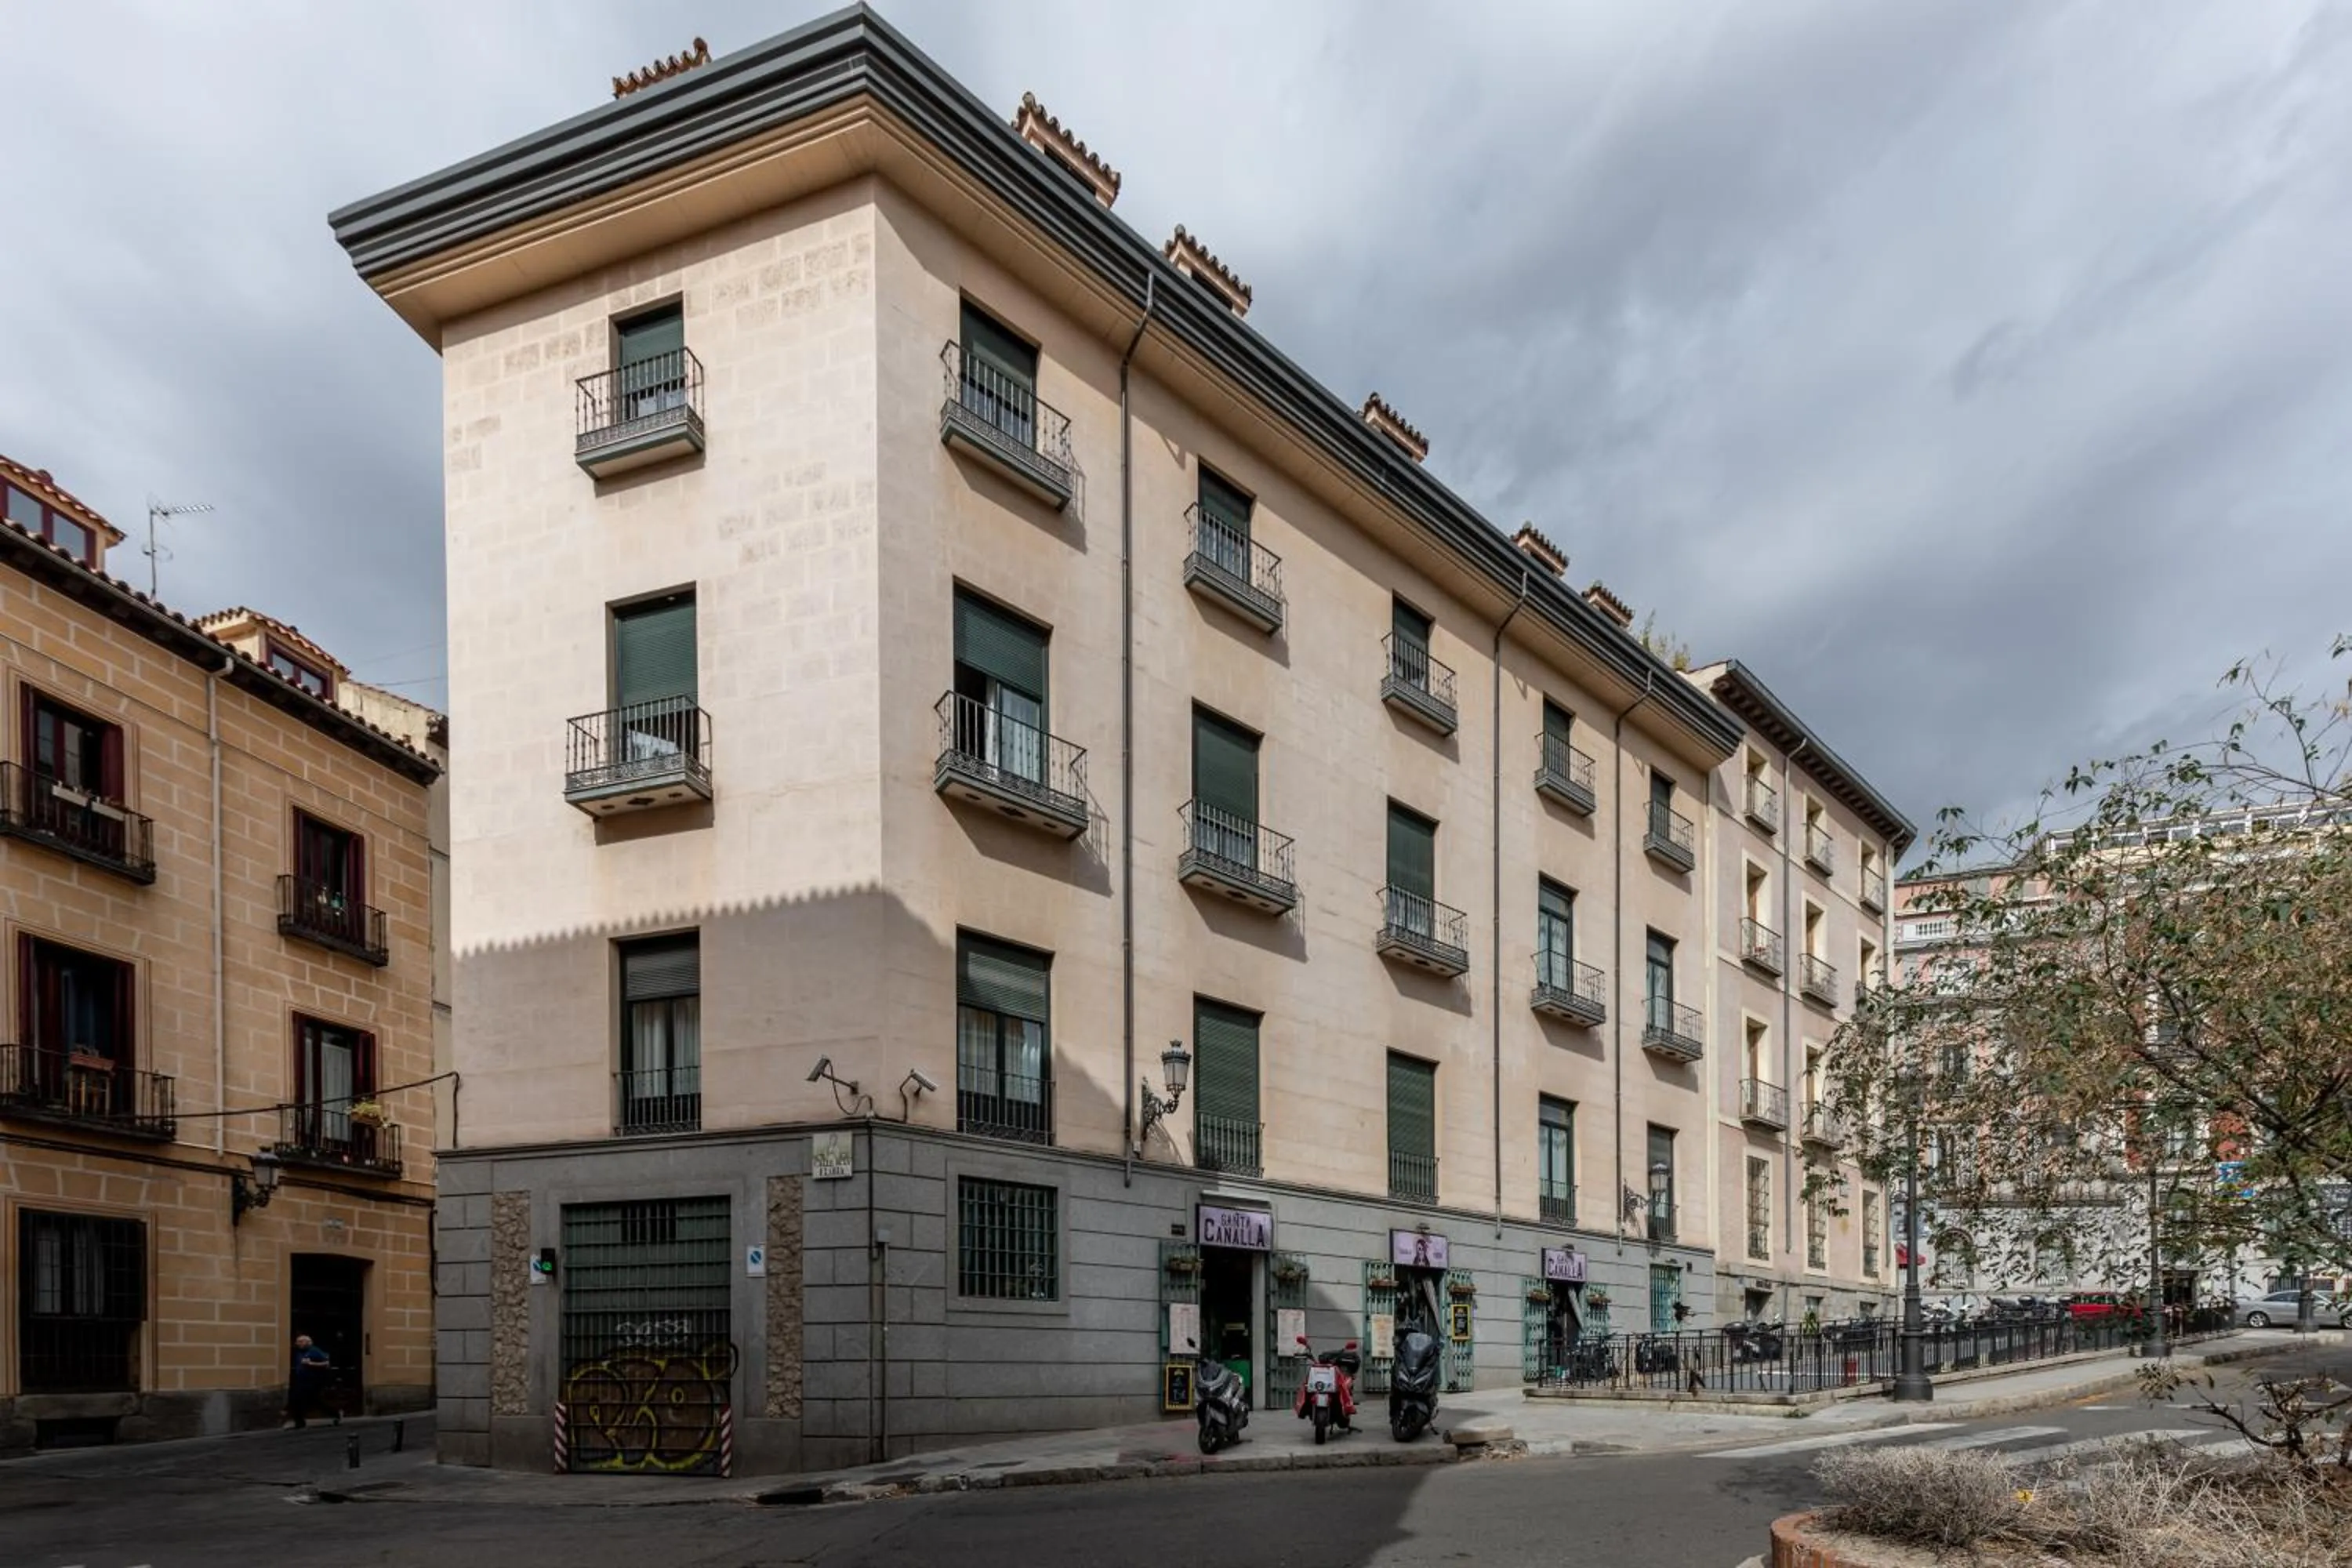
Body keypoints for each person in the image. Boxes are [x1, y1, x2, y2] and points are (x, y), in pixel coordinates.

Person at [283, 1334, 338, 1429]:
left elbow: (327, 1363)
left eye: (301, 1341)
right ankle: (299, 1422)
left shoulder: (314, 1351)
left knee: (315, 1401)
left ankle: (335, 1413)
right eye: (298, 1342)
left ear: (308, 1342)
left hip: (312, 1381)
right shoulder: (298, 1352)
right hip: (301, 1380)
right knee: (297, 1400)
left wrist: (311, 1363)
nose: (298, 1344)